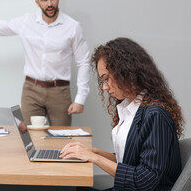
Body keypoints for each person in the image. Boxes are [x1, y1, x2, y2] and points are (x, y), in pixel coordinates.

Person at [60, 38, 183, 190]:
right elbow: (129, 160)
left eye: (106, 79)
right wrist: (92, 151)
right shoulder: (132, 108)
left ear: (126, 72)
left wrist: (94, 157)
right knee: (72, 187)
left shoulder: (155, 114)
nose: (104, 87)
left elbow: (144, 180)